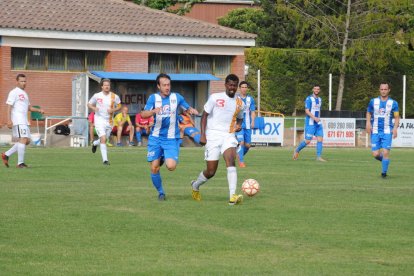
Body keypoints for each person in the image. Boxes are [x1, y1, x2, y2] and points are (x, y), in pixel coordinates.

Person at [141, 73, 198, 201]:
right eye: (164, 85)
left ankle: (163, 158)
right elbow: (143, 114)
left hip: (171, 138)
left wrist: (191, 110)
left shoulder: (176, 97)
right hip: (155, 137)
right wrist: (153, 111)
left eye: (169, 84)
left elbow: (187, 107)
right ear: (158, 86)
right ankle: (161, 192)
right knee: (154, 167)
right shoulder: (153, 98)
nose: (167, 87)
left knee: (171, 166)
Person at [190, 74, 245, 205]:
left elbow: (241, 117)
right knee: (211, 171)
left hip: (228, 135)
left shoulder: (240, 103)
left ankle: (233, 196)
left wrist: (238, 125)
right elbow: (204, 116)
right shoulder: (215, 97)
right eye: (230, 85)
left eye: (235, 85)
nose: (232, 88)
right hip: (213, 136)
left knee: (231, 160)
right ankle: (196, 185)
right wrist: (203, 135)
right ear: (226, 85)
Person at [2, 74, 45, 168]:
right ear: (17, 82)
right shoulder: (14, 92)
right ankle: (20, 163)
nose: (23, 83)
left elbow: (28, 107)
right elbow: (9, 106)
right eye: (21, 81)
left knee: (27, 141)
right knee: (23, 139)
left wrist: (39, 110)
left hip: (24, 121)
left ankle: (6, 154)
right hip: (17, 120)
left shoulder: (25, 93)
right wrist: (8, 120)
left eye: (25, 81)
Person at [366, 82, 400, 178]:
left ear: (389, 90)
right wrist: (368, 123)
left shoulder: (394, 103)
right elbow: (368, 112)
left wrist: (395, 128)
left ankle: (383, 174)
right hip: (375, 131)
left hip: (387, 131)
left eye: (385, 89)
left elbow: (397, 117)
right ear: (379, 90)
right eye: (382, 89)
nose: (383, 91)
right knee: (375, 154)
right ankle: (385, 161)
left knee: (385, 152)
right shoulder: (373, 101)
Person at [87, 78, 121, 165]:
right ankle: (105, 160)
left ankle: (95, 143)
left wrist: (113, 109)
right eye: (105, 85)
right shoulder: (97, 95)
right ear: (102, 86)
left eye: (108, 85)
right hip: (99, 120)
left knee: (104, 139)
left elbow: (119, 106)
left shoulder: (114, 96)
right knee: (103, 138)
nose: (107, 86)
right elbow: (89, 104)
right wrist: (94, 108)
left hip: (109, 121)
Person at [293, 84, 326, 162]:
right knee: (308, 141)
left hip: (318, 123)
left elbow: (318, 110)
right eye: (315, 89)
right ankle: (297, 150)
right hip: (310, 123)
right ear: (313, 90)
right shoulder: (309, 99)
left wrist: (319, 119)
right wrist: (314, 118)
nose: (316, 90)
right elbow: (307, 111)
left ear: (319, 90)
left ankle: (318, 157)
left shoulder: (320, 99)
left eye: (318, 89)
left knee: (320, 139)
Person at [235, 81, 256, 167]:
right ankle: (241, 162)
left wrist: (253, 121)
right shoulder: (235, 98)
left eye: (245, 87)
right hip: (238, 124)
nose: (244, 89)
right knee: (241, 142)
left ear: (247, 88)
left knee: (248, 145)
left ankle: (239, 156)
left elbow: (253, 112)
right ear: (240, 88)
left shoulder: (250, 99)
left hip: (247, 124)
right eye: (242, 87)